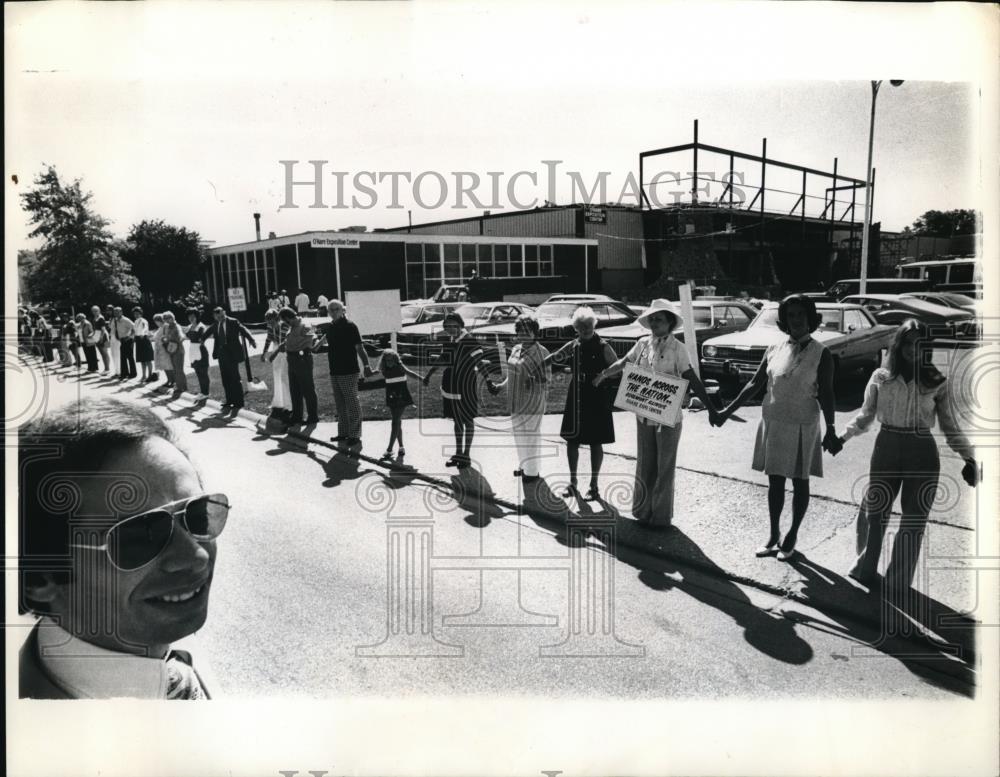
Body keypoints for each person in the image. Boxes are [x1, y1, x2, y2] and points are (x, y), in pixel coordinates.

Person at [18, 397, 228, 698]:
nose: (195, 556)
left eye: (197, 514)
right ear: (41, 576)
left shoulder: (161, 644)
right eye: (140, 534)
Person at [840, 319, 979, 592]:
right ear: (898, 344)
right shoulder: (881, 377)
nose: (913, 349)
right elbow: (866, 415)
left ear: (927, 347)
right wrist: (842, 438)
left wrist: (969, 458)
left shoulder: (937, 382)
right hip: (887, 446)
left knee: (913, 521)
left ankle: (897, 582)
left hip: (921, 452)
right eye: (908, 342)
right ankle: (865, 569)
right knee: (874, 510)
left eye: (919, 343)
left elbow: (950, 427)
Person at [717, 294, 840, 559]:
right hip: (774, 421)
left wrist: (831, 428)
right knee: (775, 481)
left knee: (800, 481)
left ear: (811, 318)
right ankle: (773, 534)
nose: (796, 320)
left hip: (803, 424)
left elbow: (828, 394)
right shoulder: (774, 348)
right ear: (784, 321)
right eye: (791, 316)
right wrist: (727, 411)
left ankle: (792, 534)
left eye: (801, 314)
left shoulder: (822, 353)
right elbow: (754, 384)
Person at [594, 299, 720, 528]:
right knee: (645, 463)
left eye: (658, 319)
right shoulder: (643, 344)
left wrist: (711, 409)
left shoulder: (678, 348)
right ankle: (643, 512)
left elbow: (691, 377)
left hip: (668, 418)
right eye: (651, 319)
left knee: (665, 467)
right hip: (644, 414)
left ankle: (660, 517)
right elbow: (625, 362)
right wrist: (604, 374)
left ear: (669, 322)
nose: (654, 323)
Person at [546, 306, 617, 500]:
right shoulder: (573, 345)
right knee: (572, 440)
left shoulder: (603, 346)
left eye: (588, 325)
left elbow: (617, 368)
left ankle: (594, 486)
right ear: (576, 327)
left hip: (596, 395)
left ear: (594, 325)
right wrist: (537, 364)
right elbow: (554, 358)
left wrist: (603, 376)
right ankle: (573, 482)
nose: (585, 329)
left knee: (596, 441)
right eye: (581, 326)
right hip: (576, 395)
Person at [486, 313, 551, 487]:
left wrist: (534, 378)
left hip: (532, 402)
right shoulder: (516, 349)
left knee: (531, 437)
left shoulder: (541, 352)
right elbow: (513, 374)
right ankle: (524, 466)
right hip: (515, 400)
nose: (523, 333)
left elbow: (547, 379)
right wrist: (500, 386)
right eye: (520, 330)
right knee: (519, 436)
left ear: (535, 332)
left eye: (527, 330)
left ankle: (533, 472)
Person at [422, 312, 493, 468]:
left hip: (465, 384)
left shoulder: (469, 341)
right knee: (456, 419)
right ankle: (458, 453)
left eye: (453, 326)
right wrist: (429, 374)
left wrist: (488, 381)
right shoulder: (450, 340)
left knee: (467, 419)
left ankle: (466, 455)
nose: (450, 329)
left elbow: (479, 363)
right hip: (451, 383)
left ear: (461, 325)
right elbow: (442, 358)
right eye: (447, 326)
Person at [319, 300, 372, 445]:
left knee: (352, 403)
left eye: (337, 309)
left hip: (348, 370)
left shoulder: (350, 326)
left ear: (343, 310)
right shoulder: (330, 327)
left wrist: (366, 365)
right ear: (328, 312)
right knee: (340, 404)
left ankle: (355, 435)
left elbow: (360, 348)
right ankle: (343, 433)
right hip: (334, 370)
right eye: (331, 310)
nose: (334, 312)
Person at [206, 307, 256, 410]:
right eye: (218, 317)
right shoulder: (216, 324)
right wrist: (201, 339)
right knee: (225, 379)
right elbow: (208, 332)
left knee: (235, 378)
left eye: (221, 316)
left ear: (224, 313)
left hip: (232, 354)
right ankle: (229, 401)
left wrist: (251, 339)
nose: (220, 318)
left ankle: (238, 403)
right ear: (215, 317)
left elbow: (243, 329)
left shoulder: (233, 321)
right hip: (221, 354)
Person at [277, 306, 319, 425]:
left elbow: (311, 340)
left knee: (307, 389)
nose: (285, 323)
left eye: (285, 321)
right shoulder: (292, 327)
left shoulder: (305, 325)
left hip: (302, 359)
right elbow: (292, 340)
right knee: (294, 390)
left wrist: (297, 346)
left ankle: (313, 416)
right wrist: (286, 345)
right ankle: (297, 416)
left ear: (288, 318)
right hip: (292, 359)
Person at [378, 349, 423, 461]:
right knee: (397, 422)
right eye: (386, 360)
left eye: (391, 359)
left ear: (395, 359)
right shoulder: (384, 369)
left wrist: (422, 379)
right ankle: (401, 447)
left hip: (401, 396)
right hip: (391, 396)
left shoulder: (400, 366)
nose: (389, 362)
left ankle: (389, 449)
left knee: (395, 422)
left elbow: (410, 373)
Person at [261, 308, 293, 422]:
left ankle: (289, 405)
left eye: (272, 321)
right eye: (268, 322)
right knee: (276, 375)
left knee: (285, 377)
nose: (270, 324)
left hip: (284, 350)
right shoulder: (270, 326)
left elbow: (286, 341)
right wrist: (264, 352)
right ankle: (278, 402)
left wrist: (281, 350)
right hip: (276, 348)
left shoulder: (285, 326)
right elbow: (269, 338)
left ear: (277, 318)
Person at [184, 308, 211, 397]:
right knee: (198, 372)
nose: (191, 318)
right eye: (189, 316)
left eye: (193, 316)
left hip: (200, 350)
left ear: (197, 316)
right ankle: (202, 392)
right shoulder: (189, 327)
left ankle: (206, 392)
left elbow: (200, 338)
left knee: (203, 372)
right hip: (192, 350)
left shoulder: (201, 326)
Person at [161, 311, 187, 396]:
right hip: (172, 349)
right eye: (165, 319)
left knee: (179, 369)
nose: (167, 321)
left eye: (169, 318)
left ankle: (182, 387)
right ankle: (179, 386)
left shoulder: (177, 326)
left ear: (172, 318)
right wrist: (165, 340)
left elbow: (181, 335)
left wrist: (179, 339)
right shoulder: (168, 327)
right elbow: (167, 337)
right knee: (175, 369)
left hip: (178, 350)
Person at [113, 306, 137, 380]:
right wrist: (117, 336)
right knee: (122, 357)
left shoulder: (126, 320)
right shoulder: (116, 320)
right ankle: (124, 373)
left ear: (121, 312)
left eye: (118, 312)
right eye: (115, 312)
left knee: (130, 357)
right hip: (122, 340)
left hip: (128, 340)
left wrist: (129, 336)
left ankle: (133, 373)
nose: (116, 313)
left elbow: (134, 328)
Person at [133, 306, 154, 382]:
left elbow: (145, 328)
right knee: (142, 360)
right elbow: (135, 331)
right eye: (135, 314)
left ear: (141, 313)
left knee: (148, 359)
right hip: (139, 340)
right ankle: (143, 375)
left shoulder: (143, 320)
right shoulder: (135, 322)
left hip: (144, 339)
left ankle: (150, 375)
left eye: (138, 313)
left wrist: (142, 333)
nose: (136, 315)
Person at [152, 313, 172, 387]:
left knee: (168, 366)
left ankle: (172, 381)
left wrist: (161, 341)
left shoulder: (165, 326)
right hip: (160, 350)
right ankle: (169, 380)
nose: (156, 323)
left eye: (156, 321)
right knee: (164, 366)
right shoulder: (160, 328)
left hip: (164, 349)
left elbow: (167, 337)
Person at [90, 306, 112, 372]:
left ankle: (107, 368)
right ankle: (106, 368)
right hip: (97, 335)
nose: (95, 312)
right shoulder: (94, 318)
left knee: (105, 353)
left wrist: (101, 338)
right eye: (93, 311)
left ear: (99, 311)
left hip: (103, 335)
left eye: (96, 311)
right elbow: (95, 328)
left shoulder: (101, 318)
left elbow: (103, 329)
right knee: (101, 353)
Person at [104, 304, 121, 376]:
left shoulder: (117, 318)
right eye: (107, 310)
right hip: (112, 337)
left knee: (117, 354)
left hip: (117, 338)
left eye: (109, 310)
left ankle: (119, 371)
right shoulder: (111, 319)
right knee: (113, 354)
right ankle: (116, 371)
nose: (108, 312)